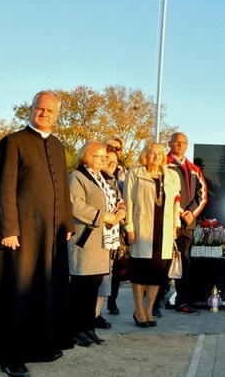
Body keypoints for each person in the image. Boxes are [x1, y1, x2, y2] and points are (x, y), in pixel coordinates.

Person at [0, 90, 75, 377]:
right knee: (17, 292)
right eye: (39, 108)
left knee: (44, 288)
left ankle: (39, 346)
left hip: (51, 232)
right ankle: (10, 356)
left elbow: (63, 190)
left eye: (49, 111)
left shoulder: (57, 145)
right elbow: (2, 188)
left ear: (57, 115)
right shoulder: (13, 142)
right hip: (20, 232)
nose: (43, 113)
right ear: (31, 109)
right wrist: (7, 228)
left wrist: (67, 224)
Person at [67, 142, 123, 347]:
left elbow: (115, 200)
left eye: (104, 157)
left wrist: (120, 212)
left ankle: (88, 327)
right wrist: (103, 216)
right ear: (86, 155)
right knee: (81, 288)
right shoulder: (77, 177)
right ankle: (76, 330)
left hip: (102, 241)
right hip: (85, 240)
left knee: (93, 288)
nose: (103, 159)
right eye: (97, 156)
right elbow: (76, 205)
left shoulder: (102, 179)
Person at [124, 143, 182, 328]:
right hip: (141, 228)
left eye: (159, 152)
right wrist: (129, 228)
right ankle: (139, 311)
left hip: (163, 231)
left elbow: (175, 204)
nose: (155, 155)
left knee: (157, 274)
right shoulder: (135, 173)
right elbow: (128, 202)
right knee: (140, 273)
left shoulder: (171, 176)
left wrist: (175, 226)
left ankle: (149, 309)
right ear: (145, 155)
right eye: (151, 152)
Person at [165, 132, 207, 315]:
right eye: (176, 142)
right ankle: (154, 303)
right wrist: (179, 212)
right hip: (167, 222)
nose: (180, 145)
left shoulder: (194, 169)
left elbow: (202, 194)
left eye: (183, 142)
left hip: (187, 224)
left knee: (184, 263)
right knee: (162, 262)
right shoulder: (163, 164)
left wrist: (191, 212)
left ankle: (182, 302)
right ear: (170, 143)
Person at [95, 146, 127, 324]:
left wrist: (122, 210)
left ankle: (96, 314)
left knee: (107, 275)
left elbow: (121, 202)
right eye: (107, 159)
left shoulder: (114, 181)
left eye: (114, 162)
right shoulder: (90, 178)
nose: (110, 163)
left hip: (110, 236)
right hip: (93, 236)